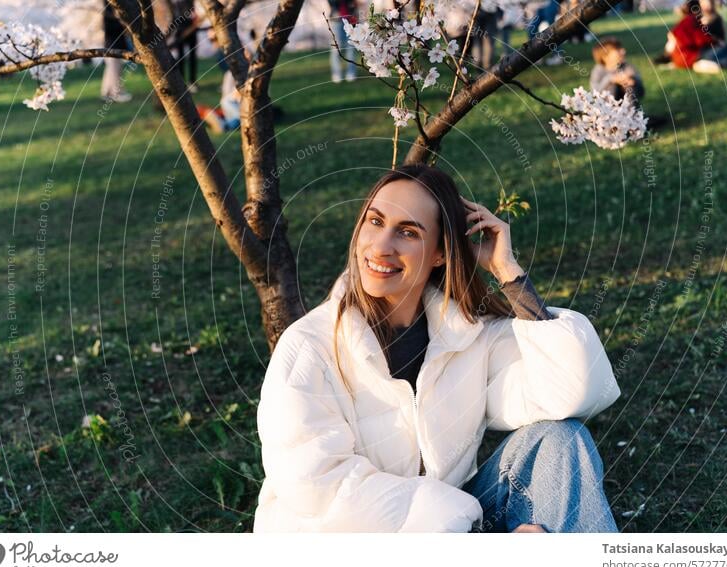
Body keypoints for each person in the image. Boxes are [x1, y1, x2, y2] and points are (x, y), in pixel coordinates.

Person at [254, 164, 622, 533]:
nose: (381, 247)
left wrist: (507, 272)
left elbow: (571, 393)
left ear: (440, 255)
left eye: (408, 232)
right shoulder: (309, 347)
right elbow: (319, 489)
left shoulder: (467, 336)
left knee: (560, 440)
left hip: (448, 526)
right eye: (375, 222)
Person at [667, 0, 727, 73]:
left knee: (721, 51)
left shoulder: (684, 21)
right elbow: (700, 39)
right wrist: (715, 41)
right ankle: (702, 64)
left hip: (680, 57)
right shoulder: (692, 20)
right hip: (690, 56)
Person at [590, 37, 645, 107]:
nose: (623, 51)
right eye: (618, 50)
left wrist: (634, 81)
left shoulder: (627, 67)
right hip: (606, 110)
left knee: (628, 86)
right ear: (605, 56)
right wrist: (610, 79)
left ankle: (631, 115)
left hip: (628, 110)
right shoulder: (598, 70)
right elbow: (594, 94)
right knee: (611, 86)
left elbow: (642, 93)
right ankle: (610, 114)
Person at [101, 0, 132, 102]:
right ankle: (116, 93)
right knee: (115, 69)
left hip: (111, 44)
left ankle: (106, 93)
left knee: (111, 69)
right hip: (112, 45)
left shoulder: (108, 14)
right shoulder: (110, 15)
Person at [327, 0, 358, 83]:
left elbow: (355, 4)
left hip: (350, 20)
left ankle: (351, 73)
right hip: (336, 20)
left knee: (351, 47)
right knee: (336, 48)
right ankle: (336, 73)